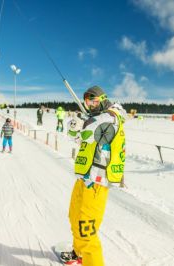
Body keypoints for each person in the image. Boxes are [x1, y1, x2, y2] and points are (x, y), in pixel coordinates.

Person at [62, 86, 126, 265]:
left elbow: (91, 130)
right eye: (87, 102)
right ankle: (79, 253)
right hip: (84, 177)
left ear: (104, 99)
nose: (90, 105)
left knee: (86, 228)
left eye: (93, 101)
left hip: (98, 180)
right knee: (74, 217)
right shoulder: (97, 118)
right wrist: (74, 127)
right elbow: (79, 139)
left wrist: (85, 122)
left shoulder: (111, 116)